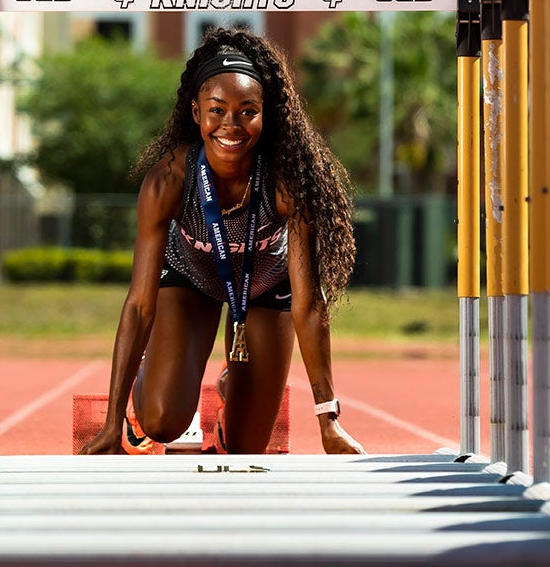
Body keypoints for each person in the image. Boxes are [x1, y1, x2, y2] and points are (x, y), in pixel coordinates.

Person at [80, 26, 364, 455]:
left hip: (268, 289)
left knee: (246, 449)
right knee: (163, 421)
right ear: (196, 113)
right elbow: (139, 303)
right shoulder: (170, 180)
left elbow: (309, 304)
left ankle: (233, 393)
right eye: (217, 110)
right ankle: (148, 379)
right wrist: (111, 423)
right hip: (191, 280)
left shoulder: (287, 181)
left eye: (247, 111)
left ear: (267, 114)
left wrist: (329, 421)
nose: (231, 125)